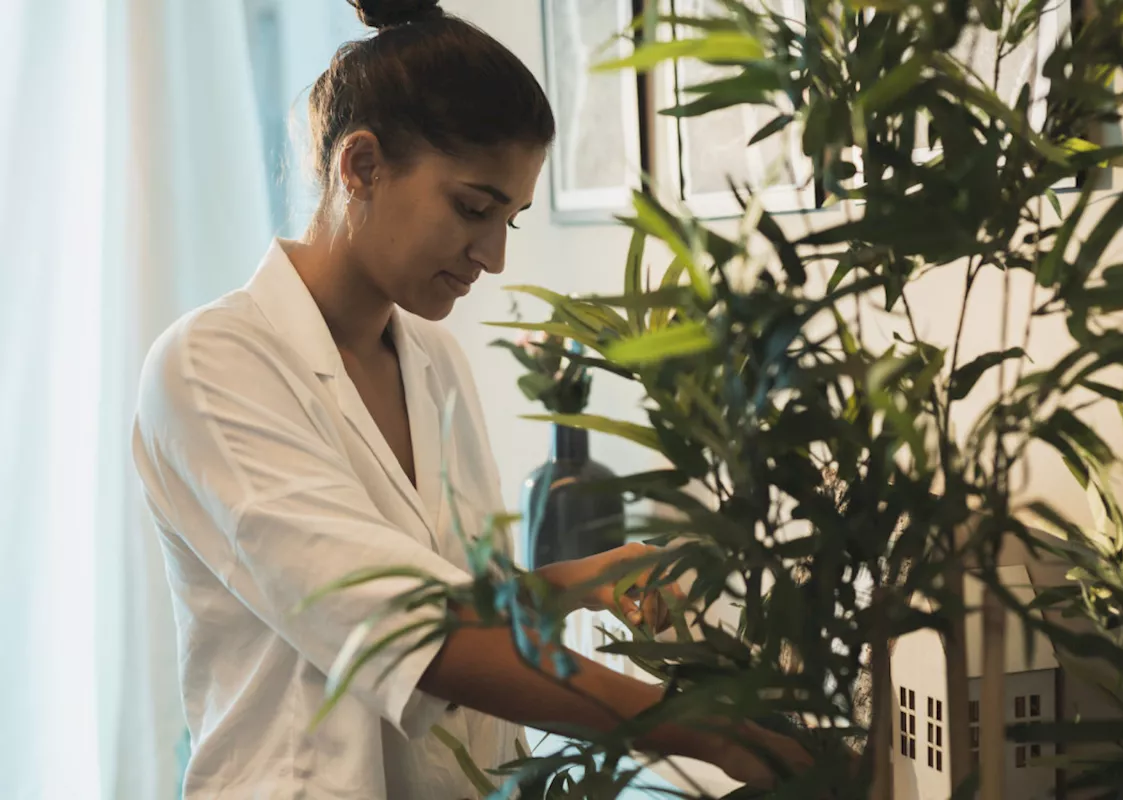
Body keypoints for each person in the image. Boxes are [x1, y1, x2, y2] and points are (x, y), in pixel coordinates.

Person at [132, 1, 811, 797]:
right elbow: (406, 633)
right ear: (360, 166)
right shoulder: (212, 366)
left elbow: (445, 603)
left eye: (511, 221)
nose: (491, 256)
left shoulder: (434, 360)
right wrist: (702, 728)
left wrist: (585, 579)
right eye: (473, 208)